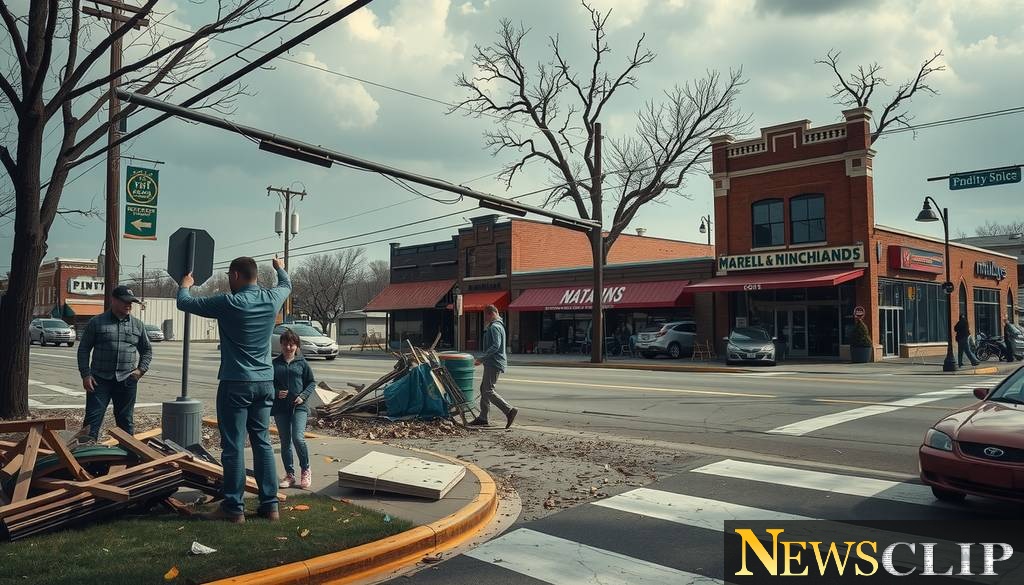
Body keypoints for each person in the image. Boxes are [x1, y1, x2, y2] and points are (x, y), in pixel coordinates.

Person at [177, 256, 291, 523]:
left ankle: (233, 508)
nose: (228, 279)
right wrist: (280, 267)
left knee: (234, 446)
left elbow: (185, 302)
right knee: (262, 442)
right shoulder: (272, 297)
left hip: (236, 382)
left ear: (237, 275)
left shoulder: (228, 302)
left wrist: (185, 284)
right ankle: (270, 505)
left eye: (229, 275)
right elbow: (287, 284)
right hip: (265, 382)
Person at [77, 286, 152, 440]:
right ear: (114, 301)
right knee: (92, 420)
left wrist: (140, 371)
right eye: (125, 301)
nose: (129, 305)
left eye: (131, 302)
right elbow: (83, 349)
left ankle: (127, 459)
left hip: (127, 380)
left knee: (126, 422)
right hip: (99, 380)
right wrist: (85, 374)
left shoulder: (138, 325)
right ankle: (86, 459)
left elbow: (147, 351)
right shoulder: (97, 322)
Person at [272, 328, 315, 490]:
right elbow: (268, 384)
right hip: (281, 408)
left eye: (292, 345)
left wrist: (303, 396)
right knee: (285, 442)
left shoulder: (302, 363)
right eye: (285, 344)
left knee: (298, 438)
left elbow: (311, 382)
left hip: (299, 407)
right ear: (281, 345)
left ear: (297, 346)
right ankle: (290, 475)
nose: (288, 348)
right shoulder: (274, 364)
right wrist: (276, 392)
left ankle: (305, 469)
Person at [469, 305, 518, 429]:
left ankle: (509, 410)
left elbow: (496, 346)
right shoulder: (498, 326)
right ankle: (483, 418)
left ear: (491, 314)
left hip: (494, 362)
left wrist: (482, 358)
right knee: (484, 389)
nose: (485, 318)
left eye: (485, 315)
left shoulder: (495, 327)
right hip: (493, 362)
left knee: (487, 390)